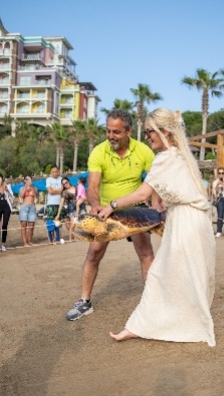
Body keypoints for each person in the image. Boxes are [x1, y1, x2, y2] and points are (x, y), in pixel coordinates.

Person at [97, 108, 215, 345]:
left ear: (165, 132)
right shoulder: (182, 156)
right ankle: (154, 324)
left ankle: (149, 326)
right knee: (184, 274)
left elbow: (143, 192)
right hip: (195, 221)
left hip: (186, 222)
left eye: (150, 131)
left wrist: (112, 205)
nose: (147, 136)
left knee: (165, 274)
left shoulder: (165, 158)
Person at [64, 109, 156, 321]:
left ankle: (152, 301)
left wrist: (154, 207)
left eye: (116, 132)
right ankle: (84, 302)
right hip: (106, 208)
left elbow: (153, 184)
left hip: (135, 207)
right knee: (94, 253)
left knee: (146, 252)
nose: (111, 136)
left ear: (128, 131)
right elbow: (93, 186)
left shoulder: (144, 151)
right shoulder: (99, 151)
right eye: (108, 131)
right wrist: (95, 205)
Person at [55, 178, 78, 242]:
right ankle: (71, 238)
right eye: (63, 184)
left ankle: (73, 237)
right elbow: (61, 203)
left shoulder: (76, 188)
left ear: (69, 181)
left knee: (75, 223)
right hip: (68, 209)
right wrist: (58, 214)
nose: (65, 184)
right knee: (71, 224)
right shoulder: (64, 192)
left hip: (77, 207)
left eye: (66, 182)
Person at [18, 175, 38, 246]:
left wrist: (31, 187)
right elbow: (21, 195)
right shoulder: (22, 188)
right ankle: (25, 242)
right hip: (24, 207)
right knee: (23, 225)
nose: (28, 181)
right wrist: (26, 187)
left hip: (32, 207)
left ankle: (30, 241)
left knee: (31, 226)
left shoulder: (34, 188)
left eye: (29, 179)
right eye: (26, 179)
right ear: (24, 180)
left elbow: (36, 195)